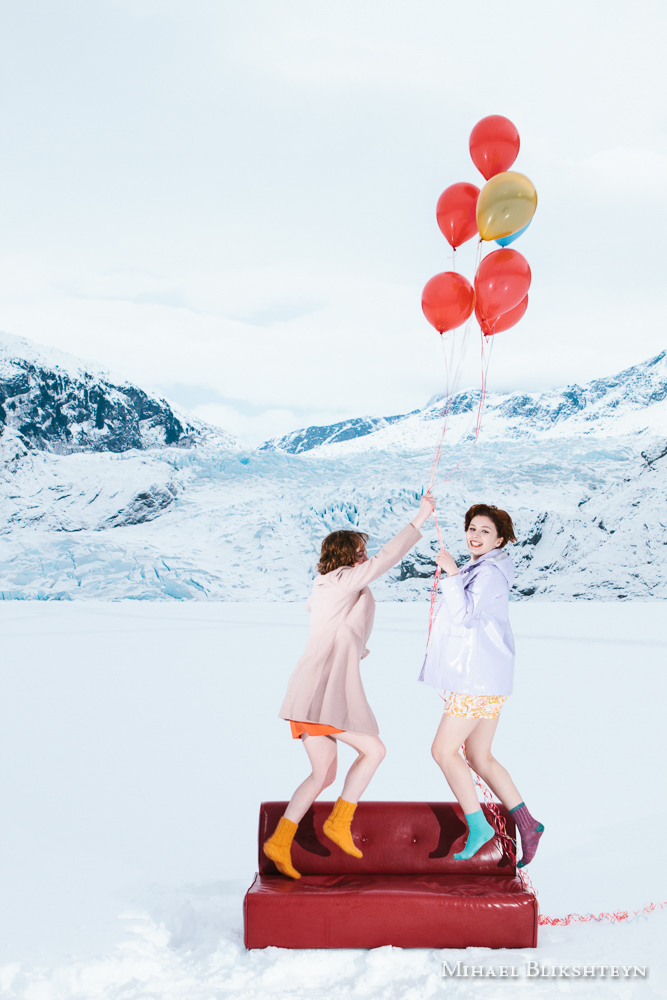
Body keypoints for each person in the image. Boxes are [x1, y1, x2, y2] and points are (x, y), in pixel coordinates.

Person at [263, 492, 436, 879]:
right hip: (320, 693)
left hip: (310, 692)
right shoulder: (342, 581)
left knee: (322, 774)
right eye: (359, 551)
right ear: (346, 556)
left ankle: (279, 841)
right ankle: (339, 821)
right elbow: (386, 559)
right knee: (373, 750)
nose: (364, 557)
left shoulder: (330, 587)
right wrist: (420, 519)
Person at [418, 503, 543, 867]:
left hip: (477, 681)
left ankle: (479, 826)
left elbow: (465, 614)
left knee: (443, 751)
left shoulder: (488, 573)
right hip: (487, 679)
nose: (475, 535)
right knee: (478, 756)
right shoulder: (485, 568)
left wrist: (453, 574)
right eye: (472, 528)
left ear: (500, 539)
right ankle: (527, 824)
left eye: (485, 531)